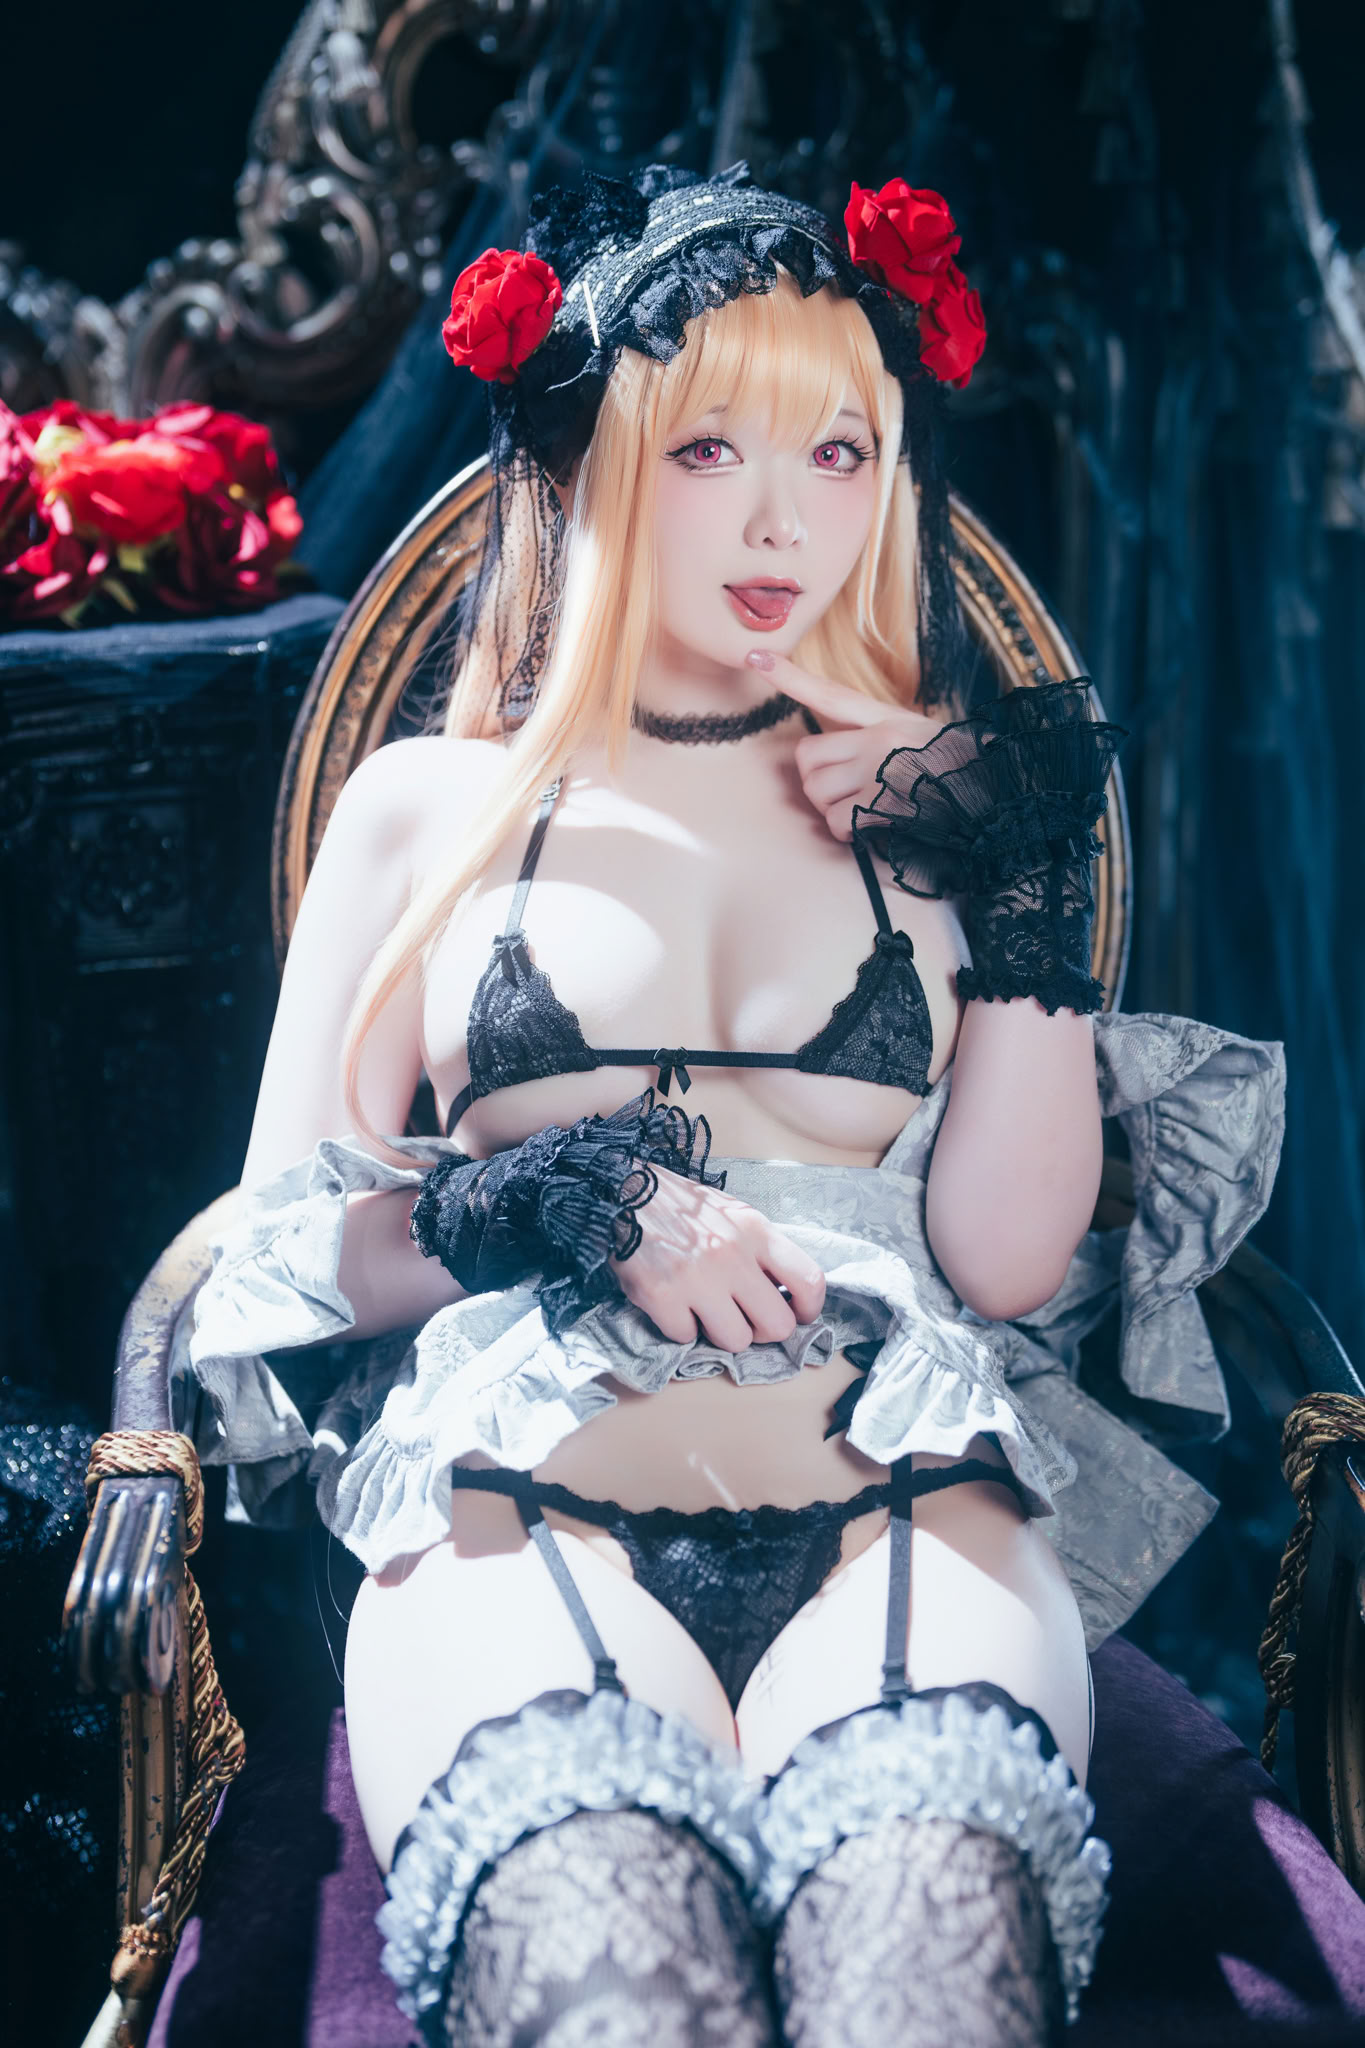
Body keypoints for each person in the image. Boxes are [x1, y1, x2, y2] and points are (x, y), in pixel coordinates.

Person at [179, 164, 1287, 2047]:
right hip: (525, 1522)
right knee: (613, 1980)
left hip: (903, 1514)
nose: (788, 521)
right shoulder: (427, 813)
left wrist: (1019, 884)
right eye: (710, 450)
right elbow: (266, 1266)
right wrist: (536, 1199)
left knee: (926, 1977)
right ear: (585, 463)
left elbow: (1006, 1266)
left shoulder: (935, 815)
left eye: (839, 454)